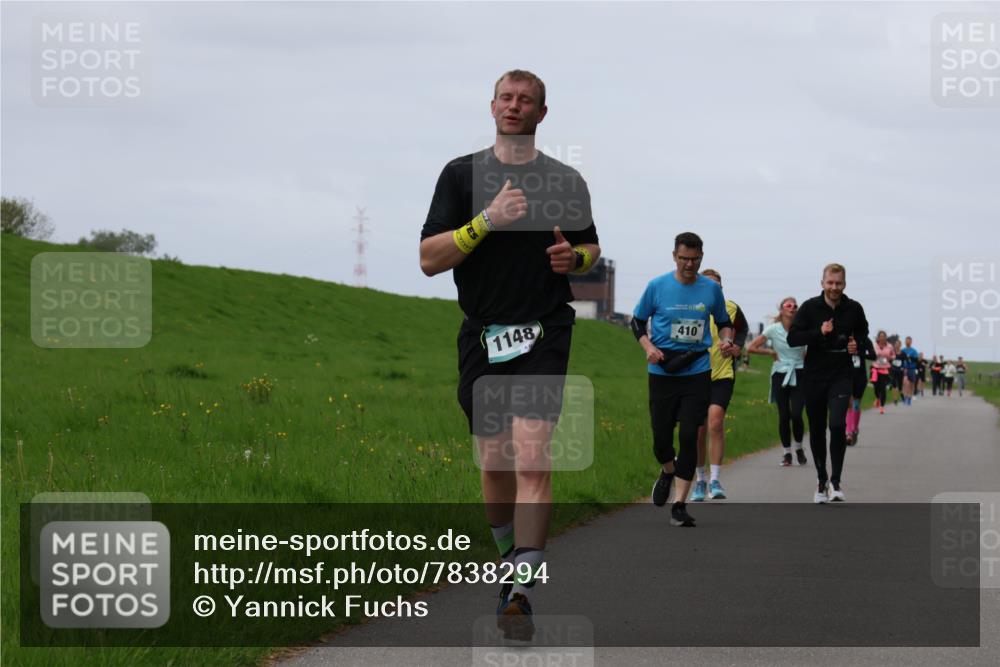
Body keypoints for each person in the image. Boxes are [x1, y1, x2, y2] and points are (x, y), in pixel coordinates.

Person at [419, 69, 601, 639]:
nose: (514, 106)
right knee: (494, 461)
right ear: (492, 106)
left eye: (526, 101)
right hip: (482, 334)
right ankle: (508, 564)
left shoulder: (565, 179)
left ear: (542, 113)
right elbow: (428, 258)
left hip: (545, 331)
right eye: (506, 98)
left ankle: (521, 589)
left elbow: (592, 246)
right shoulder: (460, 175)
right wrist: (486, 222)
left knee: (531, 453)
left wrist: (577, 261)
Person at [632, 232, 735, 527]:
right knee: (661, 439)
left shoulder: (710, 290)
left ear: (701, 257)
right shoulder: (657, 286)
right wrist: (648, 347)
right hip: (662, 370)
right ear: (674, 256)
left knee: (690, 434)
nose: (689, 264)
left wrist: (726, 341)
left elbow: (725, 323)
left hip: (696, 369)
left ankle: (679, 504)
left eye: (694, 259)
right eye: (684, 258)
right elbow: (637, 321)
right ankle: (667, 470)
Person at [788, 263, 869, 504]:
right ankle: (821, 479)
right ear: (822, 283)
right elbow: (793, 338)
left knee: (836, 425)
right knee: (817, 429)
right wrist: (818, 333)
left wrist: (858, 345)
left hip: (841, 375)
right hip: (814, 376)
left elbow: (864, 336)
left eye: (839, 283)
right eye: (830, 283)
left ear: (844, 284)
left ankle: (836, 481)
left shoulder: (854, 308)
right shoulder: (810, 307)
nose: (834, 287)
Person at [690, 269, 749, 502]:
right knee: (698, 430)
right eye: (709, 284)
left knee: (715, 422)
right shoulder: (690, 306)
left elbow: (742, 331)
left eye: (718, 286)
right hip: (695, 373)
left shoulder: (731, 308)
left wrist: (737, 348)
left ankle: (715, 480)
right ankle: (700, 480)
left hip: (722, 374)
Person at [747, 296, 808, 466]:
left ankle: (799, 448)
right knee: (784, 415)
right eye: (789, 305)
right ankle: (787, 453)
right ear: (781, 310)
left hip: (799, 372)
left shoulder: (803, 329)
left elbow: (808, 352)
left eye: (795, 306)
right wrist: (771, 353)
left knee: (796, 414)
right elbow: (751, 347)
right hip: (780, 374)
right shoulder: (773, 329)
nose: (793, 308)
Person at [846, 334, 876, 446]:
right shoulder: (844, 337)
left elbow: (873, 355)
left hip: (860, 376)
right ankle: (848, 432)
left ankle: (854, 429)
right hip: (846, 374)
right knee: (848, 402)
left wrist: (859, 353)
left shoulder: (865, 339)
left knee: (856, 403)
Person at [870, 331, 895, 415]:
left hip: (885, 368)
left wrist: (890, 358)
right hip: (875, 368)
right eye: (880, 336)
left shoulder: (889, 346)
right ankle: (877, 398)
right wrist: (874, 355)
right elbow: (871, 353)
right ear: (878, 337)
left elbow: (893, 355)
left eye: (883, 336)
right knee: (876, 387)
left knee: (883, 388)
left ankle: (882, 407)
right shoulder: (874, 345)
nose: (882, 338)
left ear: (885, 337)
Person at [900, 336, 919, 405]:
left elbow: (916, 360)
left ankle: (909, 398)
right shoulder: (902, 350)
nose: (907, 342)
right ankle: (905, 397)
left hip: (912, 368)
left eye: (908, 341)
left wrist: (910, 357)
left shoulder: (914, 351)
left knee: (911, 384)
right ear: (905, 342)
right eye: (906, 341)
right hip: (905, 369)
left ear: (911, 342)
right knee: (905, 383)